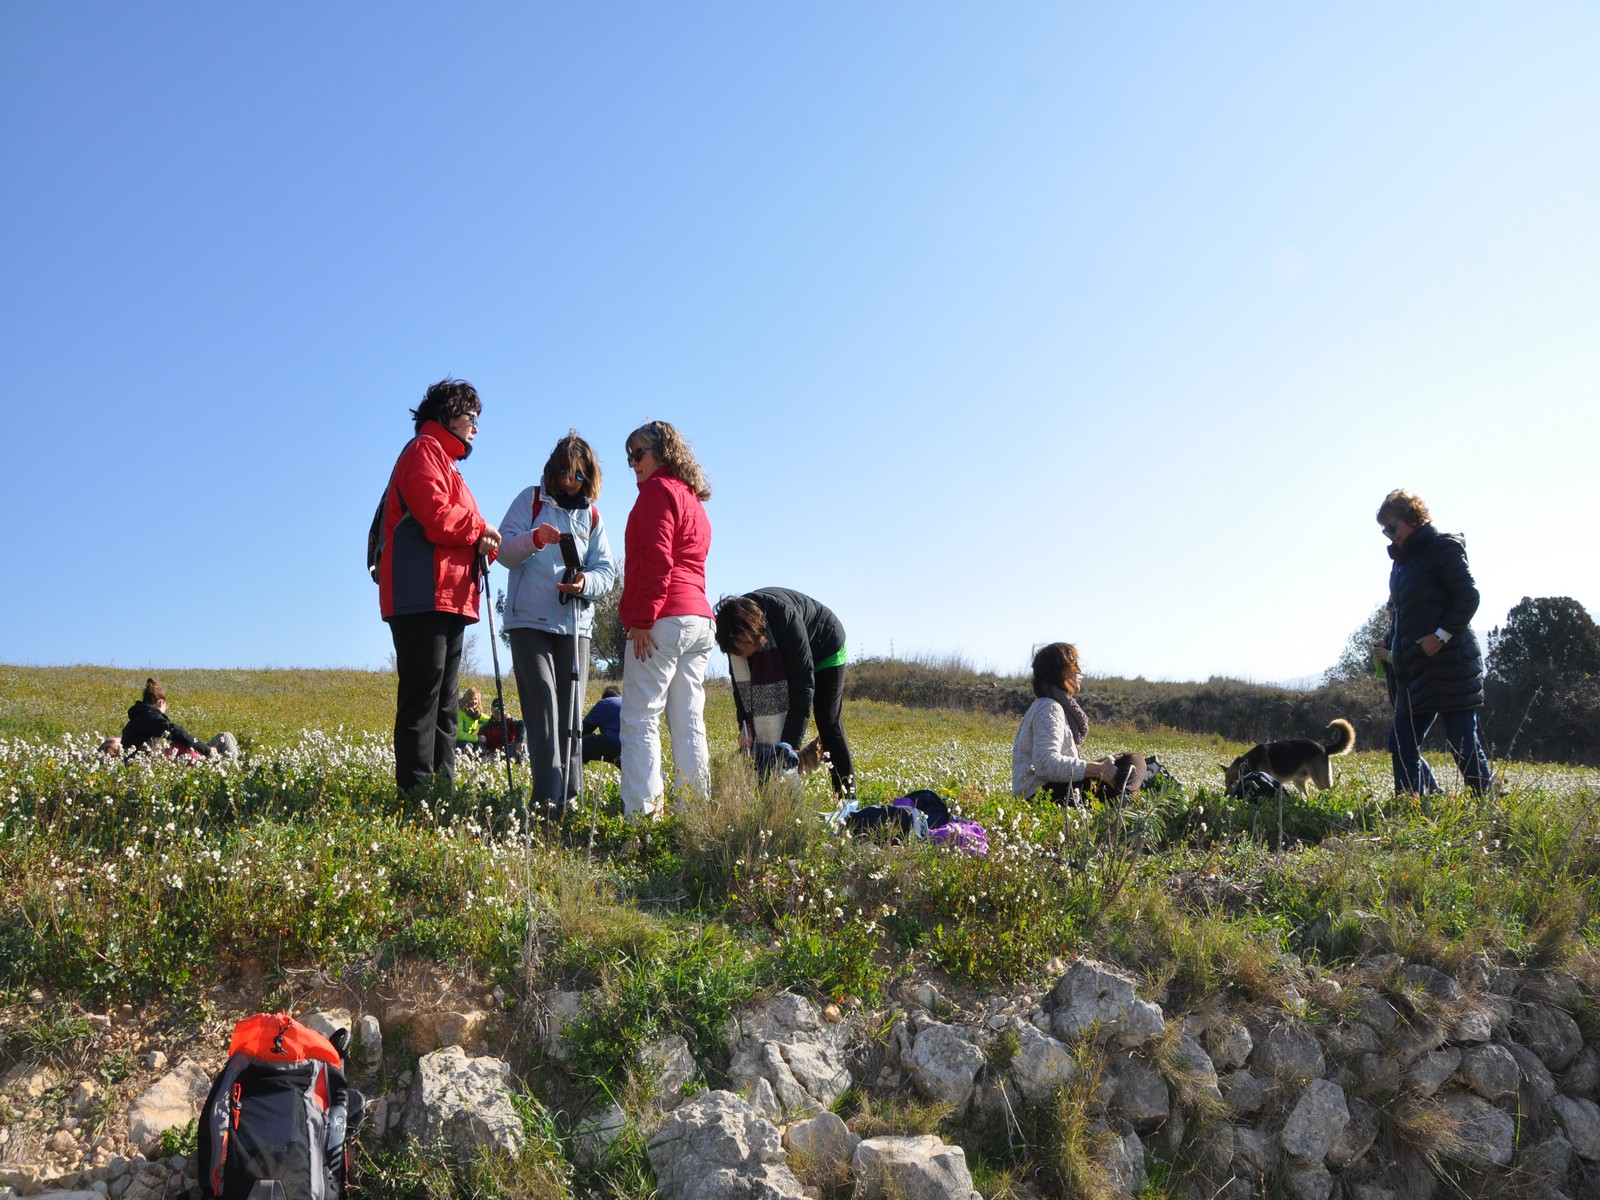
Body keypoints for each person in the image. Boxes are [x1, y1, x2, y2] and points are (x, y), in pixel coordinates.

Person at [377, 378, 500, 794]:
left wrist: (486, 542)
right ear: (447, 414)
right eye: (471, 416)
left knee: (445, 704)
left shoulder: (448, 465)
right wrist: (481, 529)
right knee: (422, 699)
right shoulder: (423, 452)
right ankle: (415, 797)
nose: (476, 427)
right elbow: (436, 516)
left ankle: (442, 795)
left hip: (450, 596)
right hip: (420, 594)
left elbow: (466, 531)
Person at [498, 432, 618, 815]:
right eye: (565, 472)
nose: (571, 481)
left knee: (571, 719)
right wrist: (534, 538)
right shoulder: (530, 500)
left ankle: (570, 802)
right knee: (544, 715)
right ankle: (546, 805)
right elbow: (503, 549)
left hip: (575, 626)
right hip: (529, 625)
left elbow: (606, 572)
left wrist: (584, 583)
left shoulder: (592, 516)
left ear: (590, 476)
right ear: (553, 469)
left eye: (580, 475)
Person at [617, 421, 714, 818]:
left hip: (663, 618)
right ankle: (696, 813)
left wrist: (642, 618)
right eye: (629, 457)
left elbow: (657, 560)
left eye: (639, 453)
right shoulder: (692, 498)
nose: (633, 463)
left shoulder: (657, 492)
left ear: (662, 452)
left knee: (640, 717)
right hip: (699, 619)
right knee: (688, 721)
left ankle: (643, 820)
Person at [1375, 489, 1494, 795]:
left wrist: (1441, 636)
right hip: (1414, 673)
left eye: (1392, 527)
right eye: (1384, 530)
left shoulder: (1443, 548)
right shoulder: (1400, 564)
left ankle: (1488, 805)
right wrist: (1391, 648)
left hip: (1450, 667)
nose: (1389, 535)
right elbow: (1404, 616)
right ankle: (1410, 806)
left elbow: (1468, 597)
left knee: (1462, 744)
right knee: (1401, 744)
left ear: (1413, 518)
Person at [714, 588, 856, 796]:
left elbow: (803, 686)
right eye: (735, 651)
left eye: (742, 648)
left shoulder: (785, 620)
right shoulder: (733, 632)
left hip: (825, 645)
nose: (740, 655)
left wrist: (790, 745)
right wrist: (745, 725)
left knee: (828, 721)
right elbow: (741, 691)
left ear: (752, 633)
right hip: (793, 654)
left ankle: (846, 797)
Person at [1012, 643, 1119, 804]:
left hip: (1039, 794)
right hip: (1044, 795)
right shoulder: (1049, 707)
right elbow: (1046, 764)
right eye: (1074, 665)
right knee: (1131, 761)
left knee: (1118, 762)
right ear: (1060, 672)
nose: (1079, 671)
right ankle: (1127, 802)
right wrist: (1097, 769)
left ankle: (1127, 799)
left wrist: (1098, 768)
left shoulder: (1044, 704)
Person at [120, 677, 238, 760]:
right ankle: (237, 774)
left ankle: (238, 766)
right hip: (158, 765)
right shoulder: (150, 717)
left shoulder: (137, 719)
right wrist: (207, 750)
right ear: (161, 703)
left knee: (227, 736)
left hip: (148, 762)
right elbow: (175, 731)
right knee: (225, 737)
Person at [581, 685, 622, 765]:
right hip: (638, 744)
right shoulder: (627, 703)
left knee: (577, 746)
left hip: (616, 741)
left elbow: (584, 730)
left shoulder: (605, 702)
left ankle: (570, 771)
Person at [479, 696, 528, 762]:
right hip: (494, 755)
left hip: (511, 751)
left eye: (502, 708)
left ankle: (521, 762)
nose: (499, 711)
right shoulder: (485, 728)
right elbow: (481, 745)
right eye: (496, 708)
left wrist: (521, 741)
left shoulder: (510, 721)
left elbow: (523, 724)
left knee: (523, 739)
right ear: (491, 710)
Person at [456, 688, 489, 755]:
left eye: (475, 699)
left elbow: (490, 720)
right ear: (466, 699)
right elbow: (459, 735)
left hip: (468, 740)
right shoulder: (460, 712)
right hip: (457, 741)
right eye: (471, 699)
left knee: (481, 746)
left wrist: (503, 717)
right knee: (470, 746)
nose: (474, 701)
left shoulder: (476, 713)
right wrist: (477, 738)